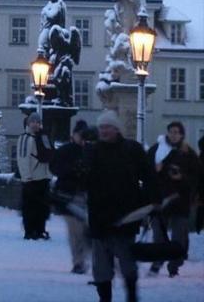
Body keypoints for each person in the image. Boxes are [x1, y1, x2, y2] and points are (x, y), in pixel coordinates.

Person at [82, 110, 158, 302]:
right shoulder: (92, 151)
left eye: (107, 127)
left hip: (126, 216)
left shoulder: (132, 150)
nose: (104, 131)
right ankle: (104, 299)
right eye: (101, 127)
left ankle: (132, 297)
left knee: (127, 263)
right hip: (99, 217)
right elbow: (82, 178)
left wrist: (150, 200)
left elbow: (149, 177)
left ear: (117, 129)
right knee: (101, 267)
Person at [147, 121, 200, 277]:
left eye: (177, 132)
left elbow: (196, 177)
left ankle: (174, 265)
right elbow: (147, 172)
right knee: (159, 235)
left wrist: (181, 177)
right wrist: (155, 170)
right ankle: (157, 262)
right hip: (160, 199)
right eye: (171, 131)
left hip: (179, 200)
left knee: (179, 237)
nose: (174, 135)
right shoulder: (157, 150)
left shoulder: (188, 153)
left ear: (182, 134)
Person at [51, 119, 94, 273]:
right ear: (74, 135)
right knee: (75, 231)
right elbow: (54, 168)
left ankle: (84, 258)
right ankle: (78, 261)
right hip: (68, 197)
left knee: (86, 230)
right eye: (79, 134)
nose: (82, 138)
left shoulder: (91, 151)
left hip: (86, 196)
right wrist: (72, 170)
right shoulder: (65, 151)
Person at [16, 112, 53, 240]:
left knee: (42, 207)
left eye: (37, 122)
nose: (35, 124)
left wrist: (49, 175)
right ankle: (30, 231)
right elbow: (22, 158)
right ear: (28, 123)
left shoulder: (43, 137)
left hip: (43, 177)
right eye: (33, 122)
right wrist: (26, 177)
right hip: (32, 179)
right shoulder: (25, 138)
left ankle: (40, 229)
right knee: (30, 207)